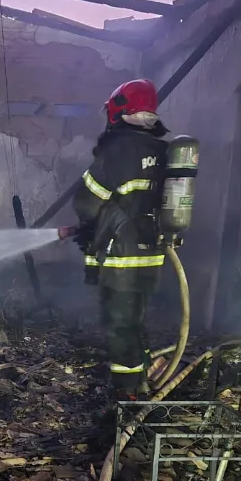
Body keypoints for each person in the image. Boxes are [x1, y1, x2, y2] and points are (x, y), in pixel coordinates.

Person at [72, 78, 169, 401]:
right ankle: (140, 376)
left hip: (120, 258)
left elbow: (86, 202)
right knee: (134, 321)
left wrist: (90, 226)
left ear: (117, 112)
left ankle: (126, 394)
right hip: (151, 258)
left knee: (119, 326)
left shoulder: (120, 149)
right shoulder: (161, 150)